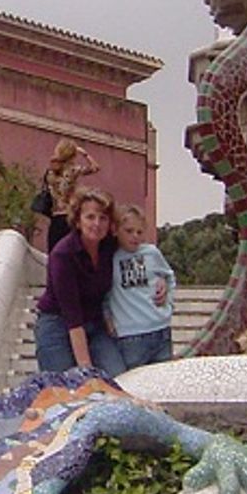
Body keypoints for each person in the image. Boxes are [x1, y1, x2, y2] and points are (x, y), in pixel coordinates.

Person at [34, 188, 126, 376]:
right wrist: (85, 368)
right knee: (65, 387)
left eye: (103, 218)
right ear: (78, 221)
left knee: (118, 376)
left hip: (94, 322)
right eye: (90, 217)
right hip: (58, 323)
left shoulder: (109, 246)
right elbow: (72, 315)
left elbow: (138, 254)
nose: (96, 224)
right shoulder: (63, 255)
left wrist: (161, 280)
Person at [104, 204, 176, 370]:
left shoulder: (151, 253)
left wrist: (169, 303)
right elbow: (104, 294)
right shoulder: (110, 257)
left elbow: (169, 277)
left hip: (160, 329)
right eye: (129, 231)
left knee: (163, 383)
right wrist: (107, 318)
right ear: (116, 230)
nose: (134, 236)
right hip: (130, 335)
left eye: (139, 232)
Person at [43, 139, 99, 251]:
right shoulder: (72, 170)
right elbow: (95, 167)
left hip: (55, 217)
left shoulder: (50, 172)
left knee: (54, 252)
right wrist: (84, 154)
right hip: (68, 215)